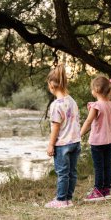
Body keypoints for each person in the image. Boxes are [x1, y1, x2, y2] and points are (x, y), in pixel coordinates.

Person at [44, 64, 82, 208]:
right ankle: (68, 198)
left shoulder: (56, 105)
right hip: (75, 142)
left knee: (62, 173)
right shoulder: (72, 101)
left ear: (51, 85)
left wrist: (50, 144)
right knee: (72, 172)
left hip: (62, 144)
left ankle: (60, 200)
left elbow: (56, 127)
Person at [80, 76, 111, 201]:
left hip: (97, 142)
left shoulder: (96, 106)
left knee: (99, 166)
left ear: (96, 90)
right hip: (109, 141)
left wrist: (78, 135)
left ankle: (97, 191)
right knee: (107, 165)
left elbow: (88, 122)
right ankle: (106, 190)